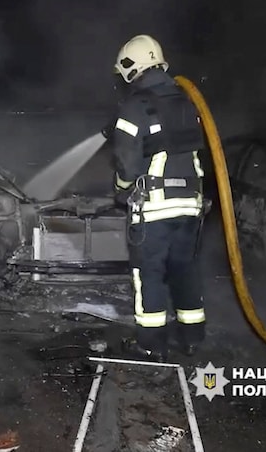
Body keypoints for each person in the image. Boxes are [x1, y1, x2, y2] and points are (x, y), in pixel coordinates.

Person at [106, 34, 207, 362]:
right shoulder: (187, 101)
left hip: (154, 207)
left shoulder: (135, 106)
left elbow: (126, 162)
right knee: (184, 270)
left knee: (149, 274)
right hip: (190, 204)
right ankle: (192, 339)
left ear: (131, 68)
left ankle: (150, 344)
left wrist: (121, 189)